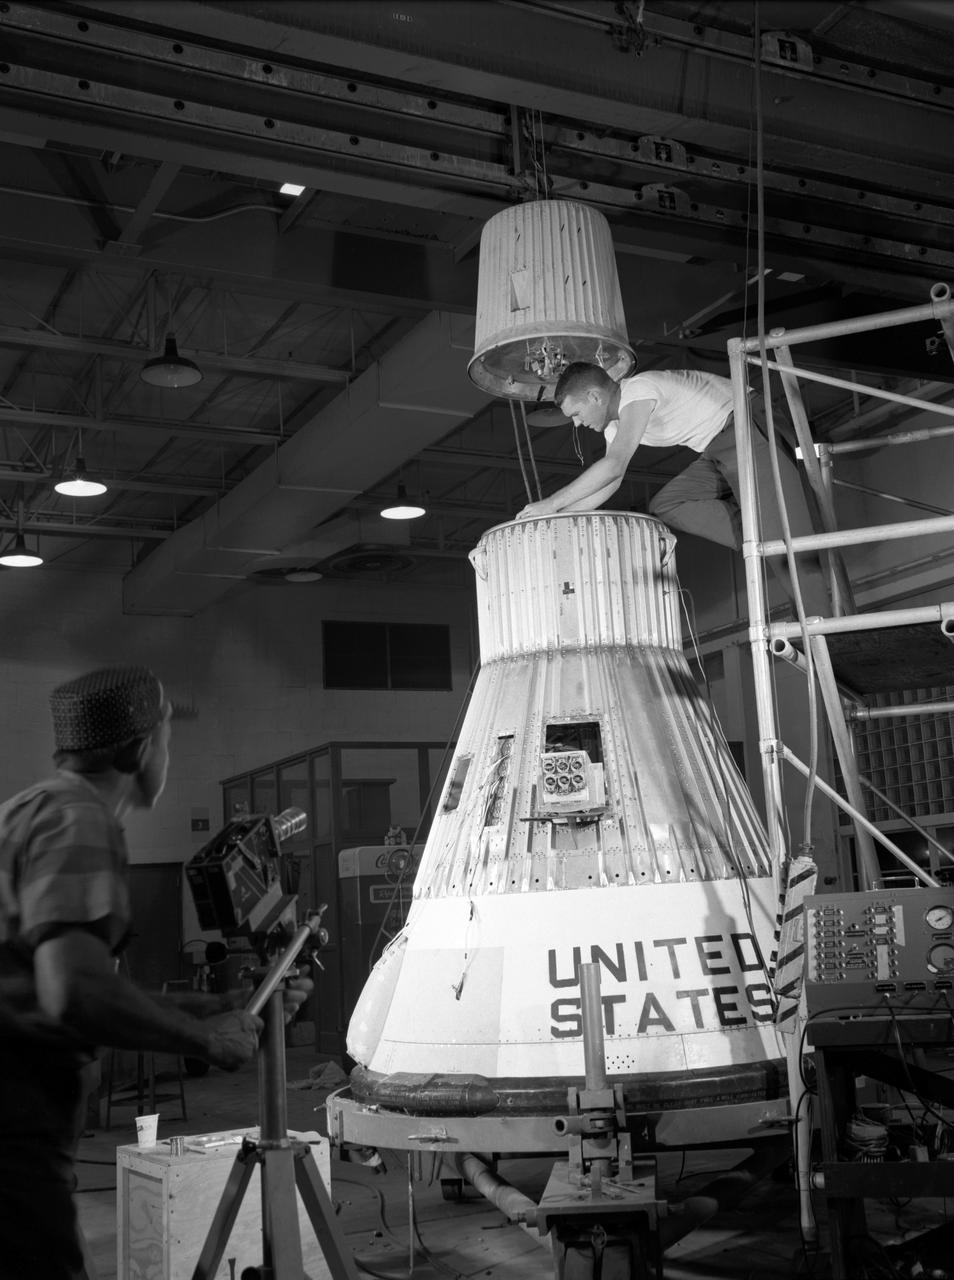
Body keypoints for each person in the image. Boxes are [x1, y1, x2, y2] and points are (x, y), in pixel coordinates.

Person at [0, 666, 306, 1280]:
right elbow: (75, 993)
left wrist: (211, 1003)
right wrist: (204, 1039)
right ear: (141, 749)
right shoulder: (81, 819)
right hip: (14, 1137)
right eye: (167, 739)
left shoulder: (25, 813)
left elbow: (59, 983)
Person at [515, 361, 831, 619]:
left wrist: (551, 503)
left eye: (576, 413)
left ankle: (820, 625)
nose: (577, 424)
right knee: (669, 502)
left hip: (746, 425)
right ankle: (762, 529)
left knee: (786, 544)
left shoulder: (637, 390)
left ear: (595, 396)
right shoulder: (615, 424)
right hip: (717, 448)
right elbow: (610, 483)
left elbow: (615, 464)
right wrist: (559, 516)